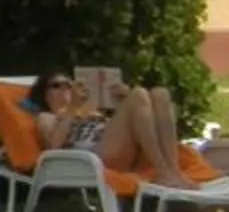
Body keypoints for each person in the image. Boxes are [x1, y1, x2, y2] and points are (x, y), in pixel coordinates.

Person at [24, 72, 195, 188]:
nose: (65, 89)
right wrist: (71, 109)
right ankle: (163, 173)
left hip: (117, 149)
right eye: (56, 85)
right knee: (138, 94)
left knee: (160, 94)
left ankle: (175, 172)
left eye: (68, 85)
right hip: (92, 158)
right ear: (44, 94)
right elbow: (52, 148)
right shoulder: (46, 117)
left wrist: (123, 100)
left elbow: (125, 127)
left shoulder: (89, 110)